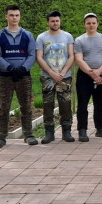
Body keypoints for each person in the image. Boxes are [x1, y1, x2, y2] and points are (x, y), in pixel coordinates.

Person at [0, 4, 37, 149]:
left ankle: (28, 135)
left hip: (24, 76)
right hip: (4, 77)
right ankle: (1, 137)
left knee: (26, 106)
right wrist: (10, 68)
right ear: (6, 17)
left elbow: (32, 54)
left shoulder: (27, 35)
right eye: (11, 15)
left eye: (17, 15)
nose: (14, 18)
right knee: (3, 107)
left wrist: (23, 68)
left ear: (20, 17)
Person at [35, 11, 75, 144]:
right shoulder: (41, 37)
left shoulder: (68, 36)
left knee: (65, 104)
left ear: (60, 21)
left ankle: (66, 131)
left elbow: (71, 56)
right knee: (48, 104)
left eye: (57, 21)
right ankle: (49, 132)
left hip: (64, 76)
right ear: (48, 22)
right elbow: (39, 57)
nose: (55, 23)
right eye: (52, 21)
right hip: (47, 77)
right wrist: (52, 74)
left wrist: (62, 73)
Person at [73, 13, 102, 142]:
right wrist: (91, 73)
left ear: (97, 24)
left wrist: (99, 72)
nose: (91, 25)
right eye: (88, 23)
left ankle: (100, 129)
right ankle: (82, 130)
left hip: (101, 76)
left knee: (100, 104)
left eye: (93, 23)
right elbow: (78, 59)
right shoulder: (79, 40)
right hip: (84, 77)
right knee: (83, 104)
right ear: (84, 24)